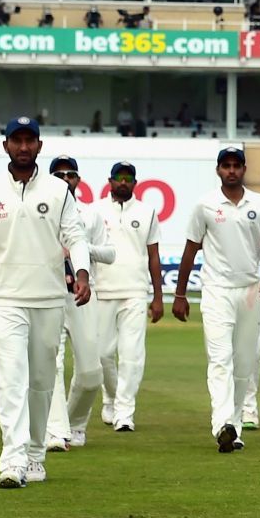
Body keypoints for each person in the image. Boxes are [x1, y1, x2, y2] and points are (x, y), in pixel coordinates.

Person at [0, 117, 93, 488]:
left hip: (50, 298)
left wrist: (82, 273)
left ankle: (36, 454)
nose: (23, 147)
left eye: (30, 140)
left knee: (40, 381)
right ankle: (13, 460)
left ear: (39, 145)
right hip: (4, 298)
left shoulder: (58, 191)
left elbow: (76, 236)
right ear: (5, 145)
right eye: (16, 140)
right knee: (9, 381)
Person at [172, 147, 260, 453]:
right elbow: (190, 250)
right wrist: (180, 294)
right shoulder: (205, 204)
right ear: (218, 170)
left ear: (243, 169)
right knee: (220, 360)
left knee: (245, 362)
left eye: (236, 165)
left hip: (249, 290)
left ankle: (235, 425)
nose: (231, 170)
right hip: (216, 289)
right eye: (226, 166)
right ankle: (222, 424)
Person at [44, 156, 117, 451]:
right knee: (52, 364)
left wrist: (77, 248)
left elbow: (111, 254)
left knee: (90, 373)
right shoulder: (39, 211)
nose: (65, 178)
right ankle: (55, 431)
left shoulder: (90, 215)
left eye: (70, 174)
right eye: (58, 174)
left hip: (84, 295)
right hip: (47, 293)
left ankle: (74, 422)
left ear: (78, 179)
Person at [91, 162, 163, 432]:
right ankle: (110, 397)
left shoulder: (147, 212)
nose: (123, 182)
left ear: (135, 182)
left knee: (132, 355)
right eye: (119, 178)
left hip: (134, 291)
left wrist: (157, 297)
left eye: (128, 178)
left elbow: (153, 256)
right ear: (110, 180)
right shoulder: (95, 210)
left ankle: (124, 412)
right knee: (102, 354)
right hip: (102, 290)